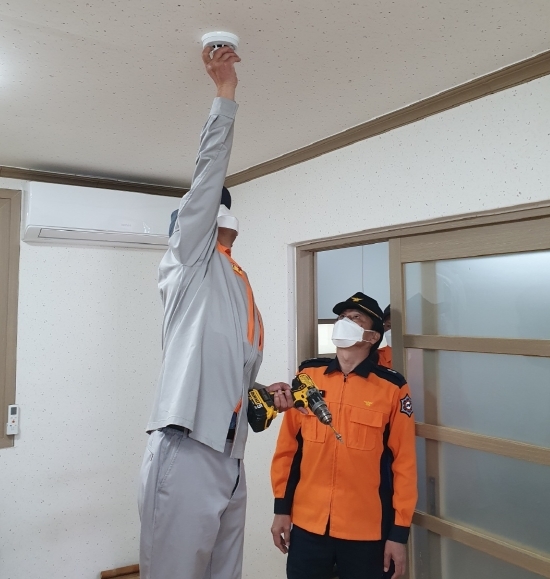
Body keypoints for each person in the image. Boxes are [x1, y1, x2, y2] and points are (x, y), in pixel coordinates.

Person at [139, 46, 293, 579]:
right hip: (186, 449)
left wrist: (262, 394)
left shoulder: (237, 282)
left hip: (231, 457)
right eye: (206, 212)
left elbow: (231, 379)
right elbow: (207, 178)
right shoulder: (188, 265)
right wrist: (225, 93)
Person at [270, 292, 417, 579]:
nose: (343, 322)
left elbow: (404, 464)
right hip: (308, 525)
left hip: (366, 532)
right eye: (341, 317)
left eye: (355, 318)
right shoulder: (308, 376)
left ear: (372, 337)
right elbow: (288, 449)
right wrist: (281, 509)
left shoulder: (392, 388)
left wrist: (398, 534)